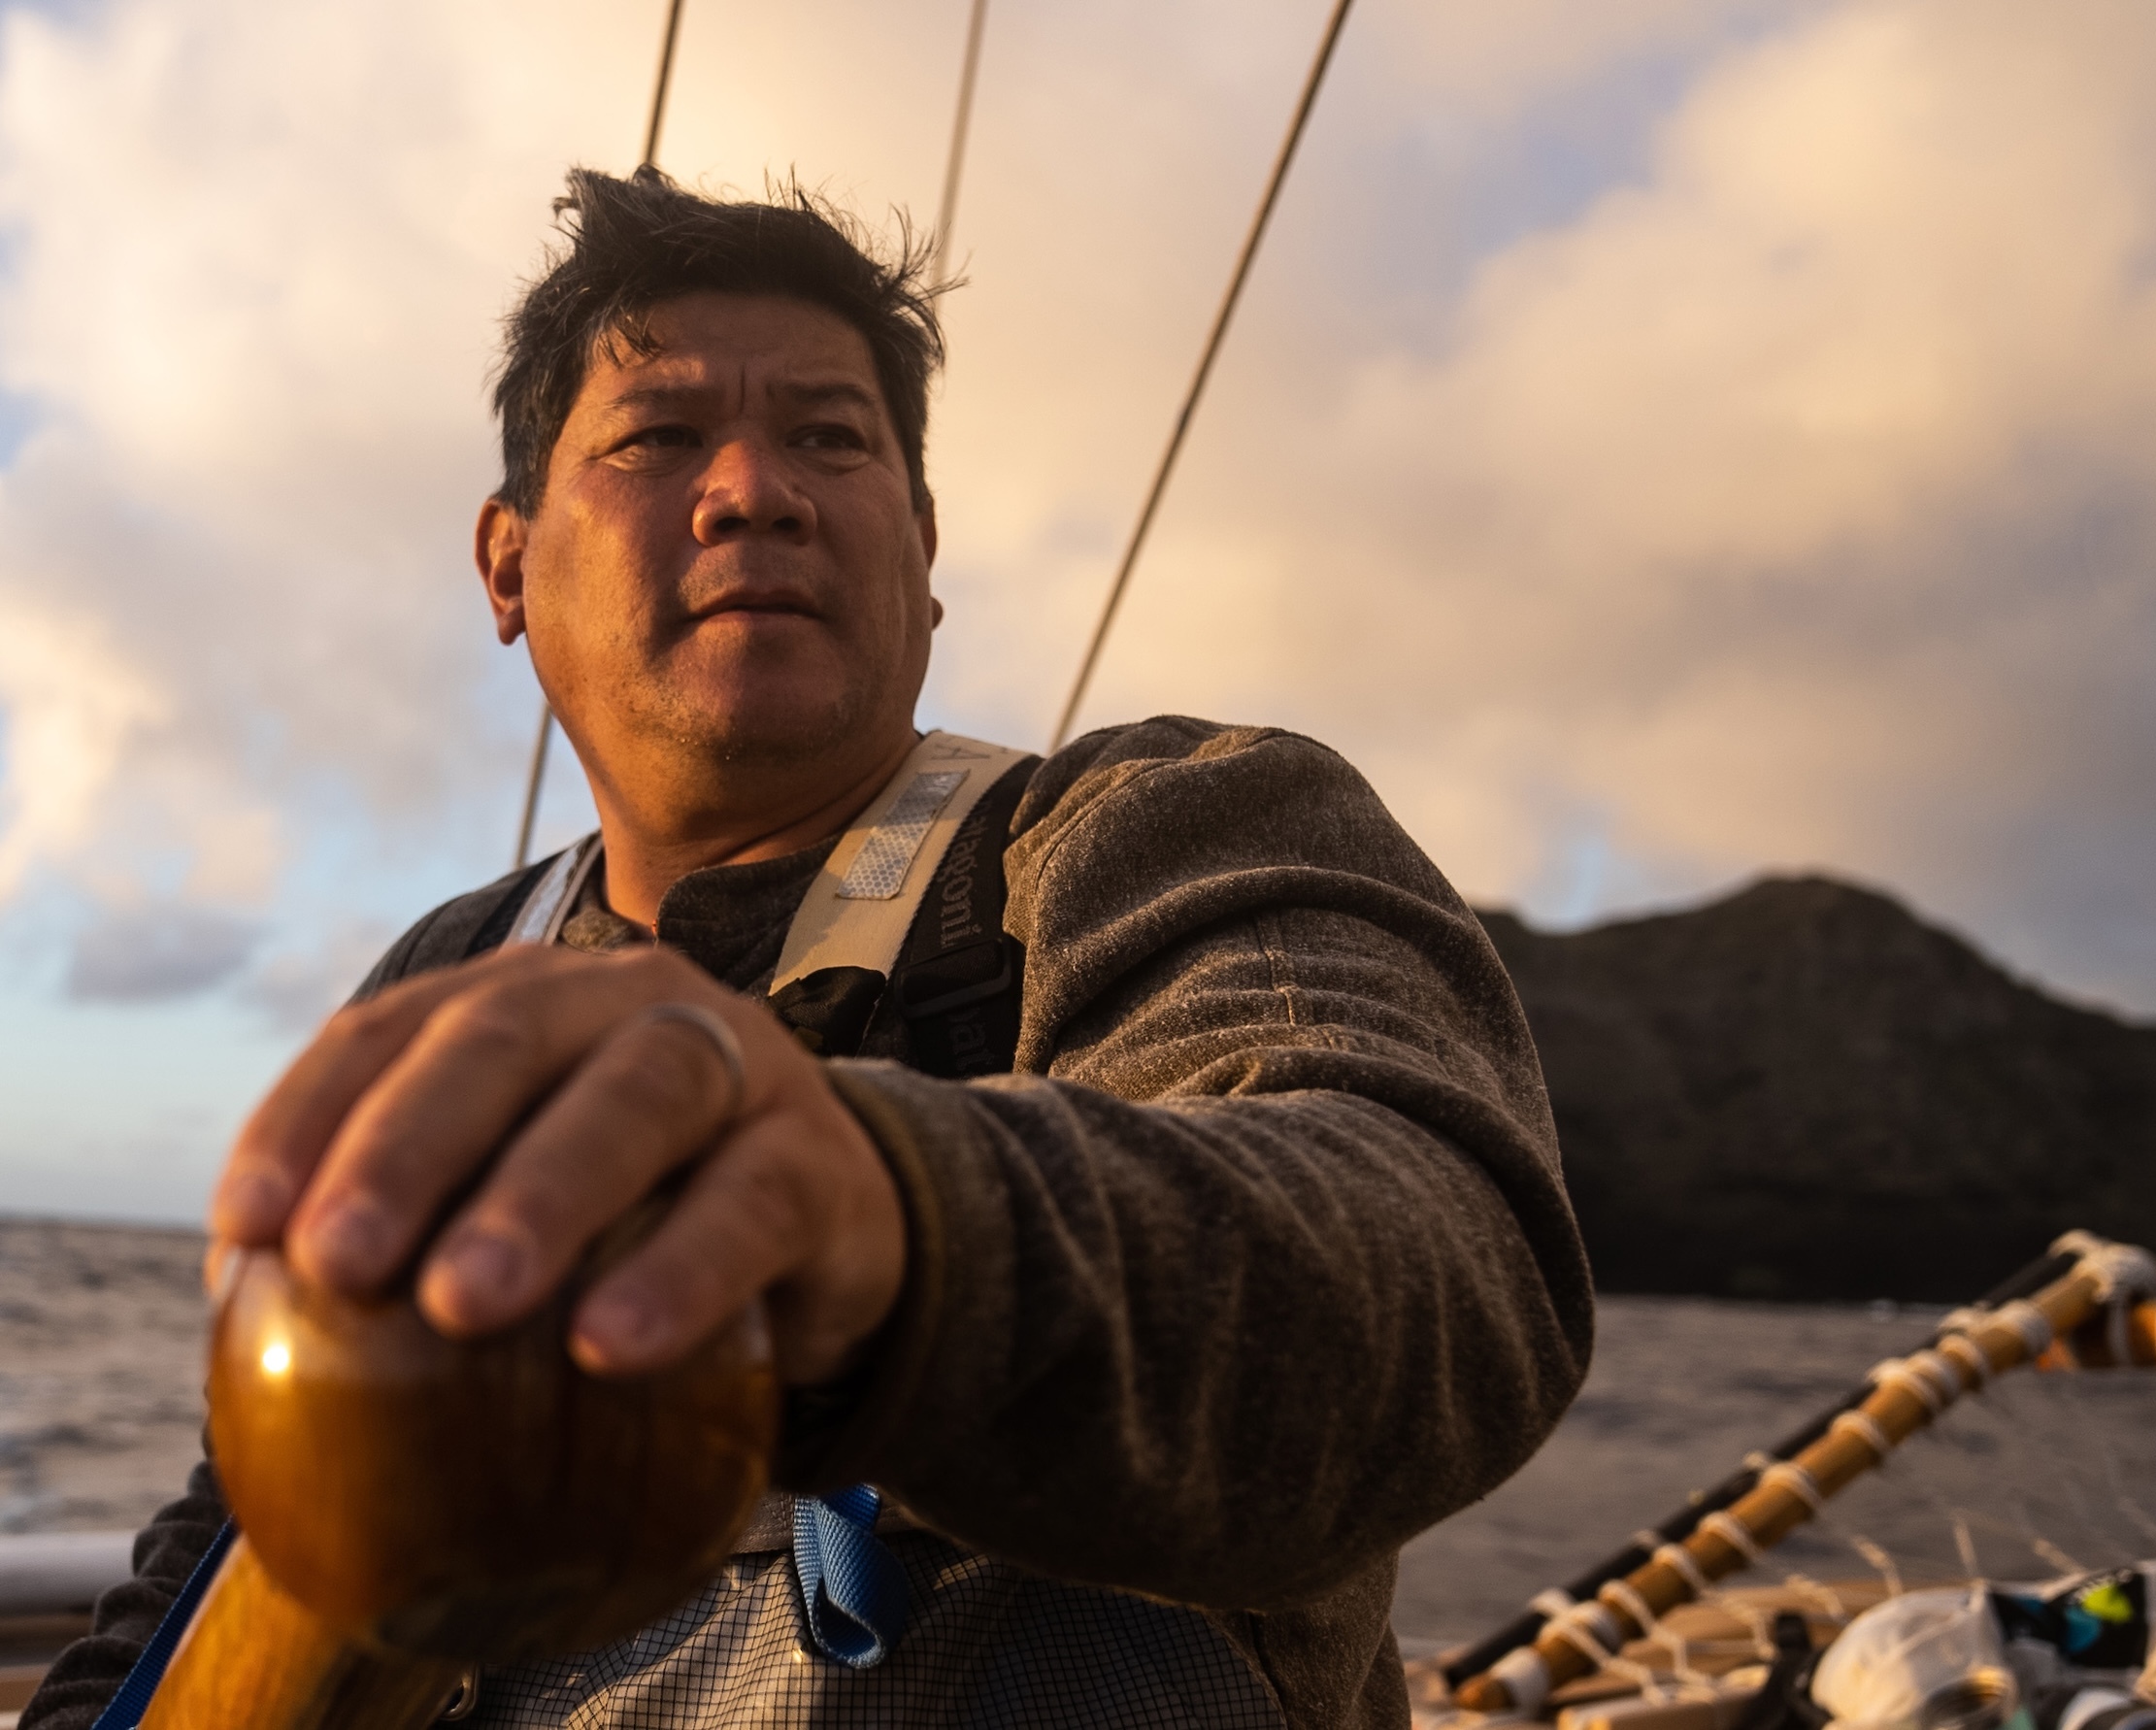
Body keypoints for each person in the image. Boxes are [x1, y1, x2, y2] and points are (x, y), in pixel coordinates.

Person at [25, 167, 1591, 1730]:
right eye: (659, 436)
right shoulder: (452, 967)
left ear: (919, 546)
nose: (754, 489)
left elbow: (1443, 1268)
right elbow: (235, 1528)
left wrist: (897, 1233)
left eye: (832, 438)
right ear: (507, 566)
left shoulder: (1156, 829)